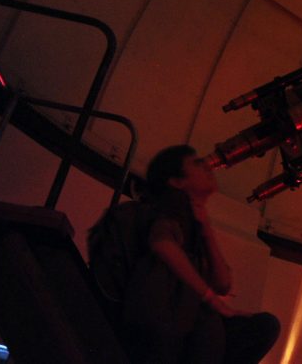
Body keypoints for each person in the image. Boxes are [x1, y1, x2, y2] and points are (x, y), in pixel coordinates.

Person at [120, 145, 280, 363]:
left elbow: (223, 283)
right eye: (196, 163)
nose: (206, 165)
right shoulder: (169, 211)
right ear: (176, 182)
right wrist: (212, 300)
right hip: (169, 330)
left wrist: (205, 225)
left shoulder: (194, 223)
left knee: (265, 326)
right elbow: (162, 244)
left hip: (195, 332)